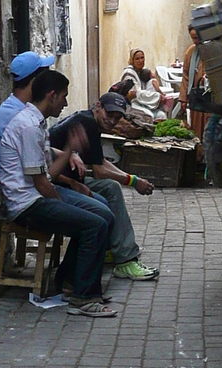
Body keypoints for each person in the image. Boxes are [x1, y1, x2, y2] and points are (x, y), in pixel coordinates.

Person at [0, 69, 112, 315]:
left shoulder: (35, 122)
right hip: (27, 205)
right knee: (94, 225)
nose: (66, 103)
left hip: (37, 196)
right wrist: (65, 204)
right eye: (63, 97)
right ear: (51, 96)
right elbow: (41, 183)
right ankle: (84, 299)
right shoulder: (27, 126)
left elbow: (47, 172)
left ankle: (72, 283)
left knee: (100, 217)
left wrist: (70, 149)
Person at [50, 91, 159, 281]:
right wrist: (133, 181)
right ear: (98, 107)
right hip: (58, 184)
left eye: (117, 118)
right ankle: (125, 259)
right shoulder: (88, 123)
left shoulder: (87, 119)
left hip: (67, 181)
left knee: (109, 188)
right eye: (110, 115)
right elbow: (99, 171)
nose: (112, 122)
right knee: (111, 189)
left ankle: (111, 247)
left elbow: (97, 161)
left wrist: (132, 178)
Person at [0, 50, 56, 173]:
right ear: (35, 81)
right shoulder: (17, 117)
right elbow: (38, 173)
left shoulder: (17, 108)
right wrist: (69, 150)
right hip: (26, 187)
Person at [179, 26, 209, 141]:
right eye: (193, 39)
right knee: (195, 128)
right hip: (196, 97)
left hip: (210, 98)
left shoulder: (213, 50)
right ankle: (197, 153)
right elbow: (186, 75)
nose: (195, 41)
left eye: (197, 38)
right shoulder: (191, 51)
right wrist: (183, 98)